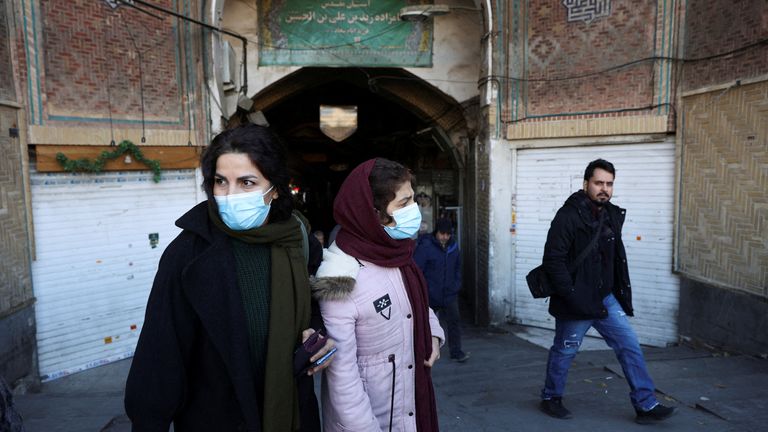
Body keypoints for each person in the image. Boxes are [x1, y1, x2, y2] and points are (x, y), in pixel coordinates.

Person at [124, 125, 335, 432]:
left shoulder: (297, 240)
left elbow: (315, 304)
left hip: (291, 412)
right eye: (221, 181)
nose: (230, 195)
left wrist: (317, 335)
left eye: (247, 182)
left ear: (275, 188)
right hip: (214, 418)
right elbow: (160, 356)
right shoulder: (187, 254)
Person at [311, 158, 445, 432]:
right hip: (372, 420)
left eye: (413, 200)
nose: (415, 210)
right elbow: (342, 374)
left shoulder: (398, 251)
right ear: (375, 214)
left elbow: (415, 303)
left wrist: (431, 333)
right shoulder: (340, 274)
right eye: (404, 203)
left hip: (410, 406)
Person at [539, 159, 676, 424]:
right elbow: (553, 261)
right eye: (599, 183)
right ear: (585, 184)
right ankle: (550, 397)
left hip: (604, 299)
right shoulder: (567, 216)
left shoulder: (611, 213)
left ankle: (645, 404)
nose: (604, 188)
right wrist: (571, 295)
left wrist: (617, 291)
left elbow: (613, 258)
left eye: (609, 184)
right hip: (576, 302)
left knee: (630, 346)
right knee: (565, 351)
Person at [414, 218, 469, 362]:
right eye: (442, 234)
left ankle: (456, 352)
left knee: (454, 322)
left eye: (448, 234)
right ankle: (425, 351)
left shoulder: (453, 247)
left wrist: (456, 285)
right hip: (430, 295)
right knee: (425, 323)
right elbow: (417, 270)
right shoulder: (425, 247)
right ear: (436, 232)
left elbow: (457, 268)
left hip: (450, 294)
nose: (444, 237)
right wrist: (423, 290)